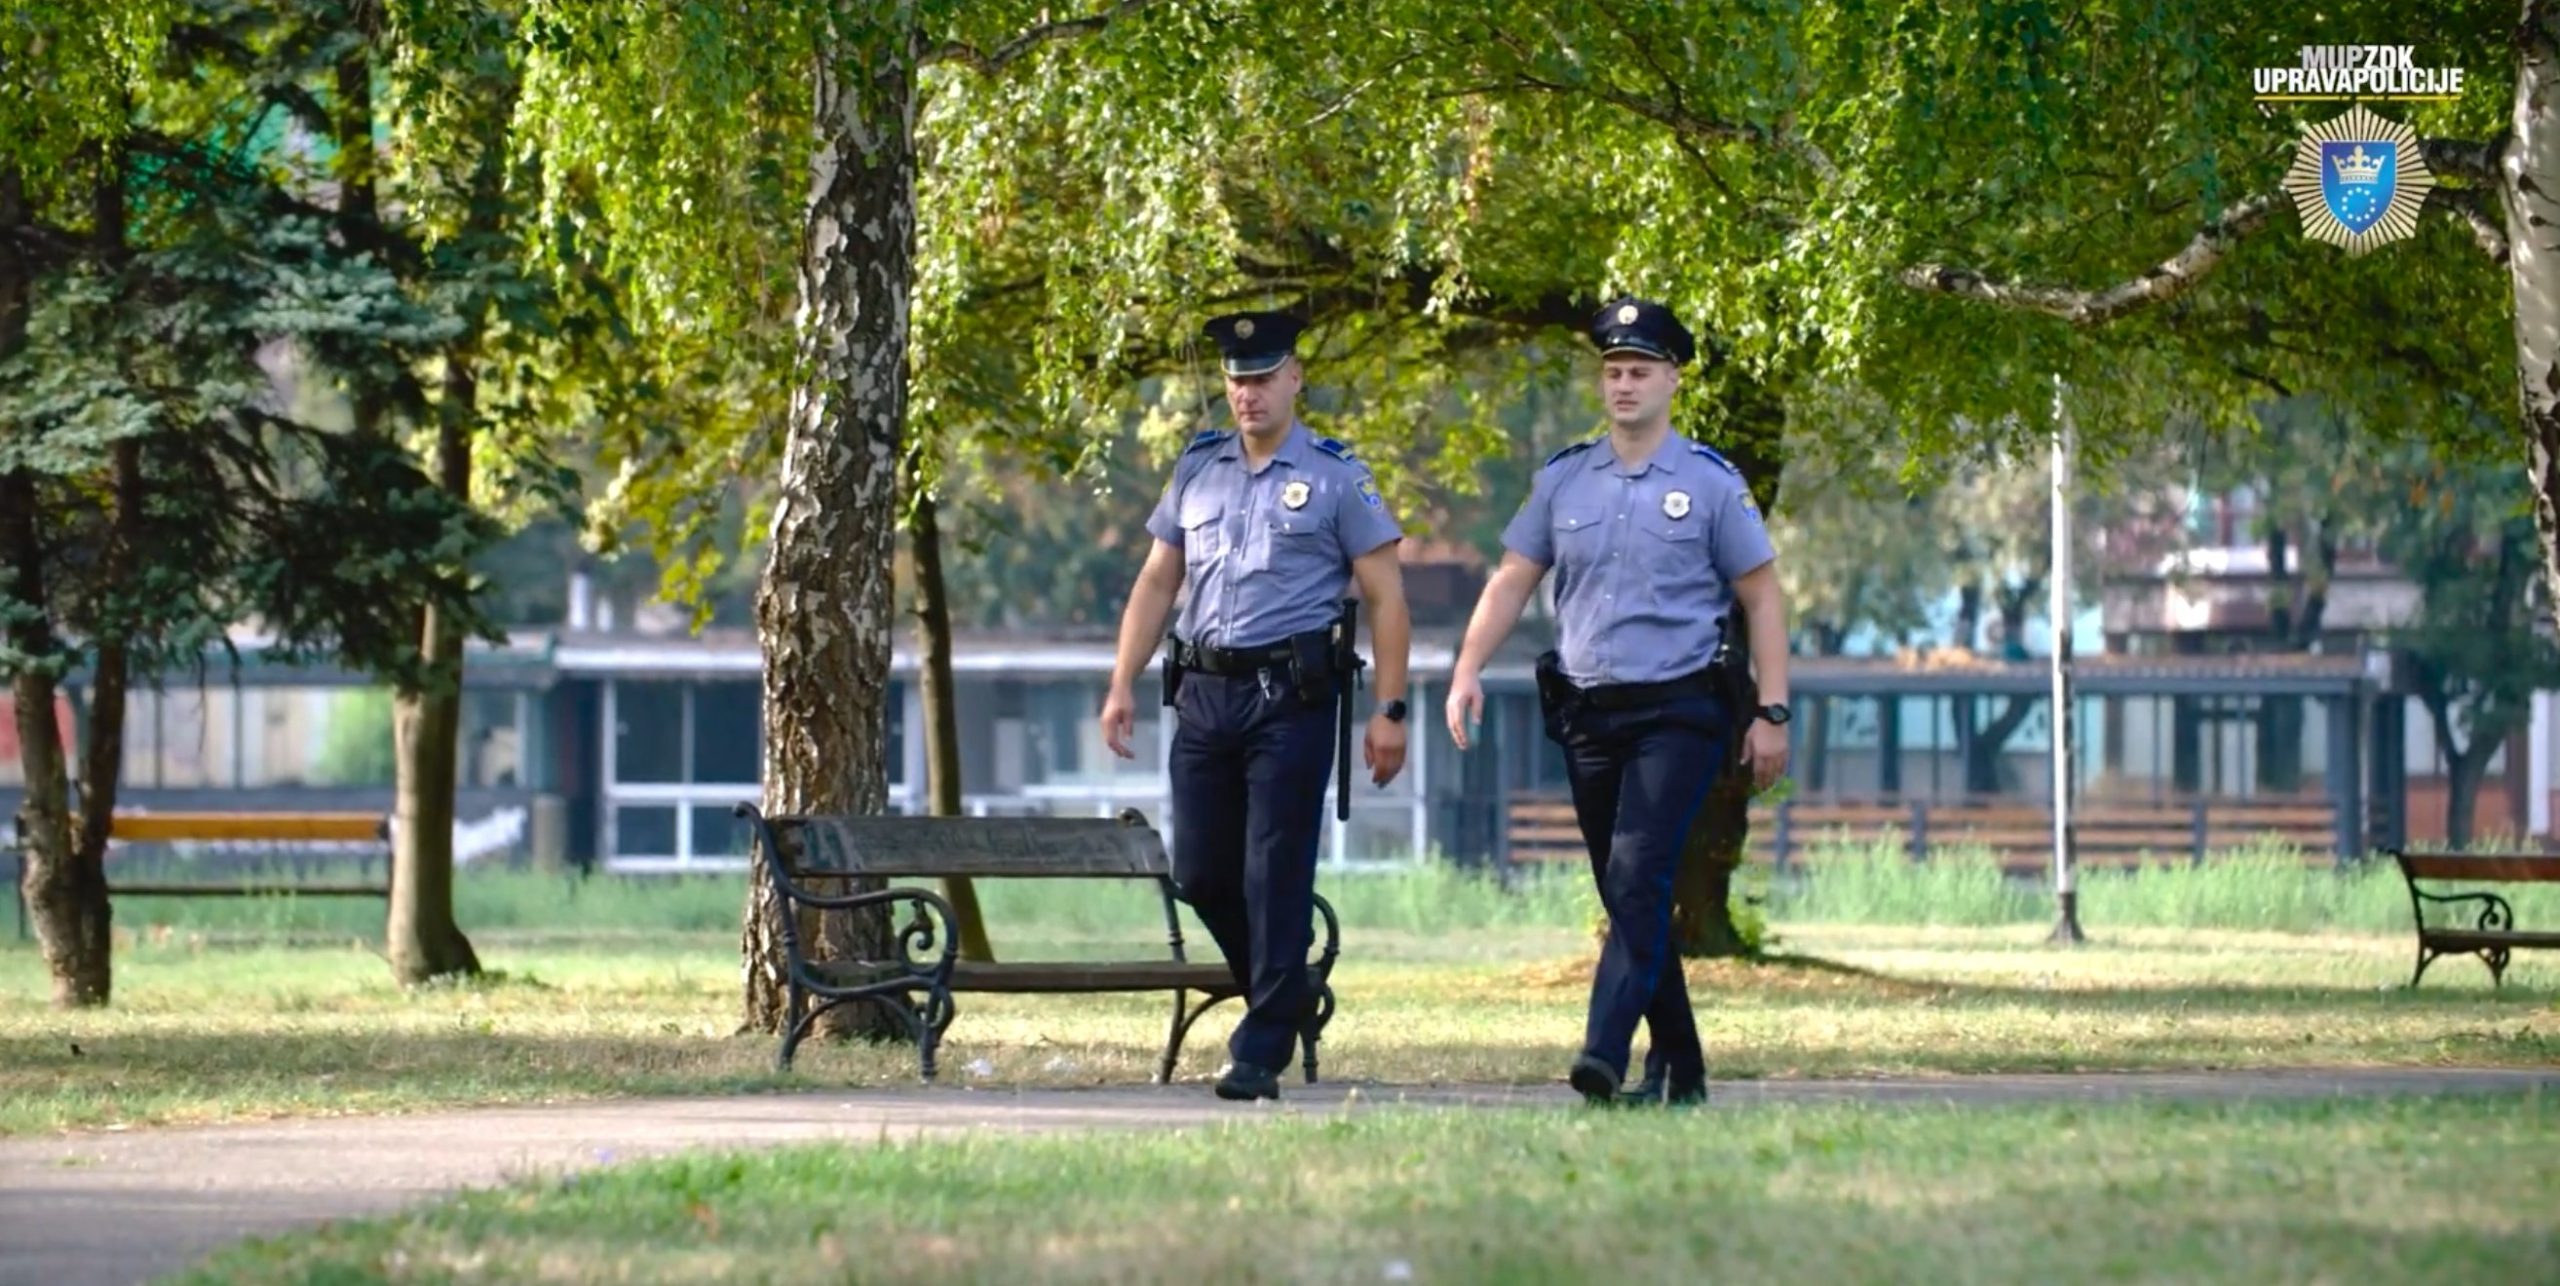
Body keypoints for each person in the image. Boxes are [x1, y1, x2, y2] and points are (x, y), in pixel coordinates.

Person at [1443, 296, 1794, 1108]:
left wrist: (1772, 712)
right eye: (1613, 371)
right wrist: (1466, 669)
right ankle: (1684, 1070)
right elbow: (1512, 580)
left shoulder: (1710, 483)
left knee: (1637, 873)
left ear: (1672, 380)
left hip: (1680, 710)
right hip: (1589, 713)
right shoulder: (1565, 479)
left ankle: (1602, 1052)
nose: (1624, 384)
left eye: (1640, 370)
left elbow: (1763, 597)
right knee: (1625, 889)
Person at [1100, 309, 1413, 1101]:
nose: (1249, 393)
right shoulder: (1198, 469)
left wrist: (1391, 709)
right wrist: (1121, 681)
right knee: (1203, 872)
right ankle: (1287, 992)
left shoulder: (1337, 477)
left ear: (1295, 379)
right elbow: (1157, 580)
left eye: (1265, 377)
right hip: (1204, 693)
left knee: (1275, 869)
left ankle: (1261, 1047)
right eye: (1238, 380)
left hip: (1290, 698)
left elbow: (1386, 597)